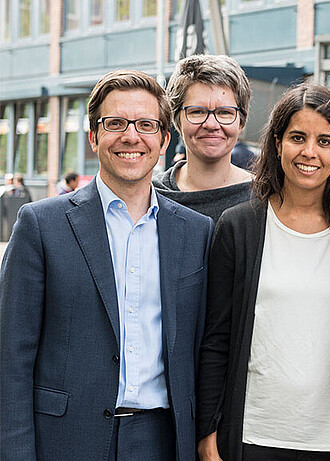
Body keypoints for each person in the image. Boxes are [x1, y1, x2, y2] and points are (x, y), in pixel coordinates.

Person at [0, 70, 213, 461]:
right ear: (93, 136)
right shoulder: (41, 225)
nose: (131, 136)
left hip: (162, 440)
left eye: (146, 125)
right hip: (63, 440)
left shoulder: (196, 233)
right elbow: (9, 358)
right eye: (115, 123)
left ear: (164, 140)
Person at [196, 84, 330, 461]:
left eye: (324, 141)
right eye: (297, 137)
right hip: (254, 435)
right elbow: (216, 339)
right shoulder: (239, 227)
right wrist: (208, 433)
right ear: (277, 143)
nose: (310, 152)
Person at [153, 54, 253, 222]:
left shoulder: (265, 197)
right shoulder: (152, 197)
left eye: (224, 112)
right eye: (197, 112)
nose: (211, 124)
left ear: (241, 122)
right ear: (177, 121)